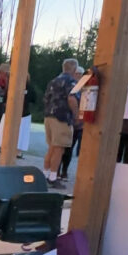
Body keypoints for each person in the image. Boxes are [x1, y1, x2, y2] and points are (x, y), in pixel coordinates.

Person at [43, 58, 80, 187]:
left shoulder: (53, 81)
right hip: (62, 117)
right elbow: (71, 98)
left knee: (52, 147)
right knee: (59, 149)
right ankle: (53, 177)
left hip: (49, 116)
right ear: (74, 69)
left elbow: (46, 99)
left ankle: (45, 174)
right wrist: (76, 115)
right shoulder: (71, 82)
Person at [0, 72, 37, 156]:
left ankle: (15, 151)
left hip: (22, 114)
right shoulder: (14, 86)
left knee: (18, 133)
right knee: (10, 132)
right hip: (14, 113)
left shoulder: (28, 88)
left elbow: (33, 99)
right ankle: (8, 151)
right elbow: (5, 99)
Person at [59, 65, 84, 180]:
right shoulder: (70, 85)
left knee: (73, 148)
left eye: (80, 74)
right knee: (64, 147)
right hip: (69, 119)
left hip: (80, 123)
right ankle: (58, 170)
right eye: (77, 73)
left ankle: (64, 171)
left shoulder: (84, 88)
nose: (78, 76)